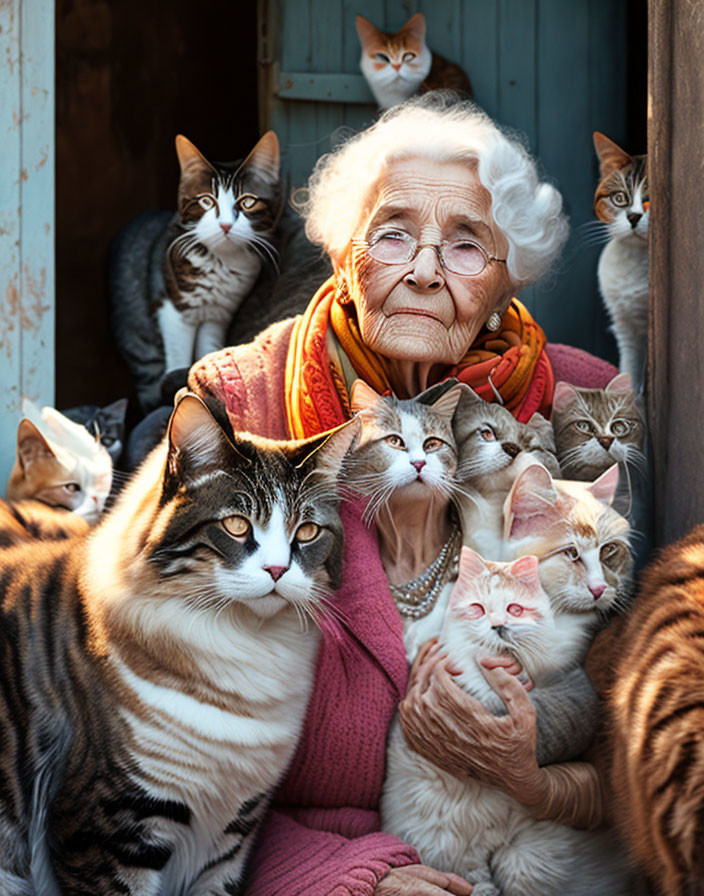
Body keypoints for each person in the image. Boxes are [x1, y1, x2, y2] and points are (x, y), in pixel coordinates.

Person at [188, 95, 618, 896]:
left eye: (465, 244)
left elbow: (641, 743)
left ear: (505, 280)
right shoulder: (244, 409)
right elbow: (160, 756)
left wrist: (535, 781)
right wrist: (354, 877)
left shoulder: (585, 412)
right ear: (347, 256)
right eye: (392, 234)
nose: (423, 268)